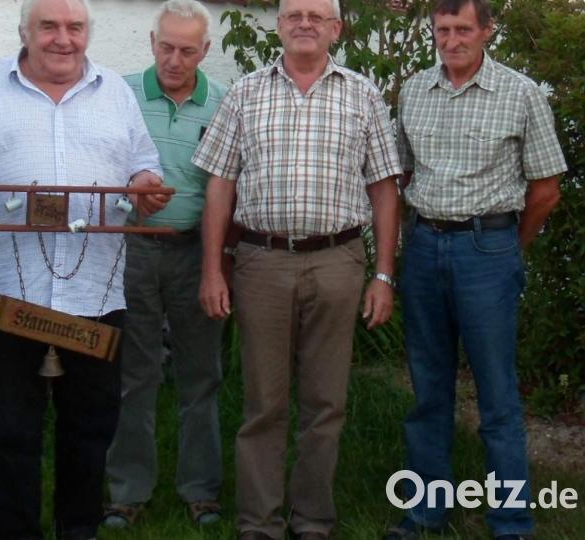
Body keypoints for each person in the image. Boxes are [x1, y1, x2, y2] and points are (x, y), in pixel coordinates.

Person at [0, 0, 168, 538]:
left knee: (91, 424)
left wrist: (145, 187)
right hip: (8, 293)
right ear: (24, 32)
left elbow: (142, 163)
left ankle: (76, 529)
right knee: (14, 428)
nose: (63, 39)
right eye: (49, 27)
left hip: (94, 291)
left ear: (88, 32)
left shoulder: (116, 93)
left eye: (74, 27)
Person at [192, 0, 401, 537]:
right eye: (294, 14)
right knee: (263, 401)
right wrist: (213, 269)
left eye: (316, 15)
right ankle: (258, 521)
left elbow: (383, 187)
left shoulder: (363, 94)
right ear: (280, 25)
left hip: (338, 260)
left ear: (335, 28)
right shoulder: (246, 92)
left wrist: (383, 274)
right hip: (261, 263)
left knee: (325, 401)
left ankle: (312, 519)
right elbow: (220, 183)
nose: (304, 23)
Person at [384, 1, 566, 539]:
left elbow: (546, 188)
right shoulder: (415, 90)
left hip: (487, 249)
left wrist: (510, 246)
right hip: (423, 248)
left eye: (464, 29)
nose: (452, 39)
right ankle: (424, 511)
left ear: (487, 31)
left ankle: (511, 522)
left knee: (497, 395)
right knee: (428, 391)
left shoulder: (520, 93)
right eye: (443, 29)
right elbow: (402, 174)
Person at [102, 0, 227, 529]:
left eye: (188, 50)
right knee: (135, 373)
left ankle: (201, 490)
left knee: (202, 374)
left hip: (196, 250)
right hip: (132, 248)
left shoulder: (223, 103)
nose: (175, 60)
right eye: (167, 47)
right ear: (152, 43)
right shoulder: (119, 95)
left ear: (206, 50)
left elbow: (227, 184)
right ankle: (127, 491)